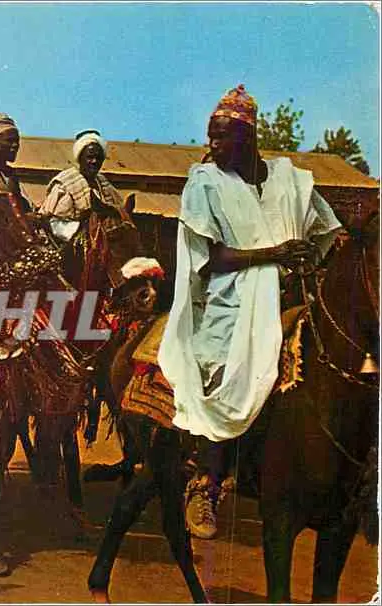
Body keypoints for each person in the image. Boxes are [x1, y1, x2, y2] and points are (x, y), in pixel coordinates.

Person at [157, 84, 342, 538]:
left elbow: (326, 232)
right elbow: (210, 258)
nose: (212, 145)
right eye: (211, 136)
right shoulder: (205, 182)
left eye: (221, 136)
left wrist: (305, 257)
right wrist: (274, 253)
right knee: (217, 364)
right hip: (231, 297)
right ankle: (205, 481)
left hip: (292, 291)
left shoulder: (290, 180)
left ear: (248, 136)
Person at [38, 129, 142, 489]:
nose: (94, 159)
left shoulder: (107, 188)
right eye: (89, 154)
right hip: (68, 268)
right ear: (79, 156)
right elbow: (52, 224)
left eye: (98, 154)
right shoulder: (64, 184)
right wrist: (85, 228)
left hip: (101, 275)